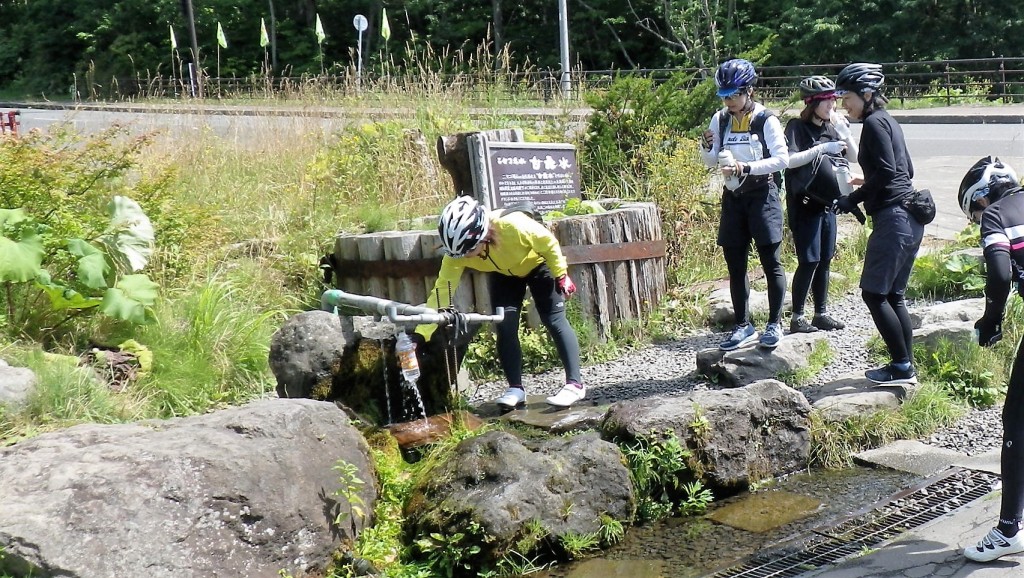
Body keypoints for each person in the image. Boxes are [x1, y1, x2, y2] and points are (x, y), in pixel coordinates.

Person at [415, 196, 585, 409]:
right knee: (505, 324)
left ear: (483, 236)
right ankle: (516, 388)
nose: (464, 258)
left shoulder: (514, 225)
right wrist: (421, 333)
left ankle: (575, 385)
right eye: (459, 253)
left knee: (553, 319)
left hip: (539, 263)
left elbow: (548, 242)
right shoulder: (458, 253)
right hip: (504, 273)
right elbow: (441, 292)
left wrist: (561, 274)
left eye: (468, 251)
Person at [833, 62, 923, 385]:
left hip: (894, 218)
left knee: (873, 294)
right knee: (894, 295)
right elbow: (906, 170)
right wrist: (864, 181)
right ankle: (906, 367)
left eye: (848, 98)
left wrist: (851, 200)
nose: (845, 104)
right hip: (911, 217)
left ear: (867, 93)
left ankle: (901, 366)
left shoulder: (872, 123)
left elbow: (887, 172)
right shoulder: (889, 121)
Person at [958, 156, 1024, 562]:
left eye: (974, 210)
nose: (978, 218)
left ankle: (1009, 529)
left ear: (983, 196)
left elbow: (999, 275)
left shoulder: (997, 216)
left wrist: (991, 321)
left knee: (1016, 420)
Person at [700, 58, 790, 351]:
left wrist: (746, 167)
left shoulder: (766, 119)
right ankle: (743, 325)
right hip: (733, 197)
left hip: (763, 195)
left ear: (749, 90)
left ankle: (774, 324)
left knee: (770, 261)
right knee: (735, 264)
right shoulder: (721, 119)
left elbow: (782, 160)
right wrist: (706, 147)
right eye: (724, 95)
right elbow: (712, 162)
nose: (729, 100)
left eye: (734, 94)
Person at [783, 76, 859, 334]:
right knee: (809, 260)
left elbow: (854, 156)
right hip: (804, 204)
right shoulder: (796, 127)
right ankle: (797, 317)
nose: (832, 106)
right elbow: (790, 160)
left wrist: (843, 131)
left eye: (833, 101)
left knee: (825, 258)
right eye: (826, 101)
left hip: (827, 203)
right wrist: (822, 148)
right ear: (811, 102)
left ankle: (821, 313)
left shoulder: (832, 127)